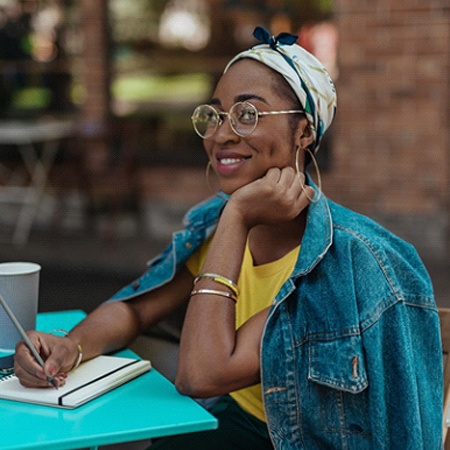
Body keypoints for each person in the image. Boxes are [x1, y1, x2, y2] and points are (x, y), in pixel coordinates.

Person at [14, 27, 442, 449]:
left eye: (248, 114)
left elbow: (200, 374)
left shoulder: (348, 261)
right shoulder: (213, 224)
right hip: (236, 421)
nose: (220, 134)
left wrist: (236, 216)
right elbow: (137, 310)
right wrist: (71, 346)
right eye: (216, 115)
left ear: (305, 132)